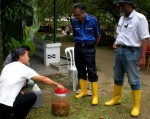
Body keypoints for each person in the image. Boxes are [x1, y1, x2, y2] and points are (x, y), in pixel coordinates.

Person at [104, 0, 150, 117]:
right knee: (117, 76)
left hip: (132, 52)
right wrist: (116, 42)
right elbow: (120, 33)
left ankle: (136, 106)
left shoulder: (140, 18)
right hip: (119, 50)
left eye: (122, 6)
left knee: (133, 79)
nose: (120, 8)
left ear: (130, 5)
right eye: (119, 5)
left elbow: (145, 38)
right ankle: (116, 99)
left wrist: (142, 57)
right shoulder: (122, 18)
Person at [0, 47, 64, 119]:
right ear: (21, 57)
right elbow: (43, 79)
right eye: (27, 55)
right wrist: (57, 84)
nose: (28, 58)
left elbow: (8, 83)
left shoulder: (7, 67)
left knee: (21, 94)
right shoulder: (22, 68)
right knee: (32, 96)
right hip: (6, 106)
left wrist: (19, 91)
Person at [71, 3, 101, 105]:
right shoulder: (74, 21)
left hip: (89, 47)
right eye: (74, 15)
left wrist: (93, 46)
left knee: (92, 70)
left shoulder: (93, 20)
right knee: (80, 69)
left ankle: (95, 96)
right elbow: (75, 34)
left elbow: (98, 35)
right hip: (78, 47)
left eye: (78, 14)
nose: (76, 17)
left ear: (83, 12)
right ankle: (83, 91)